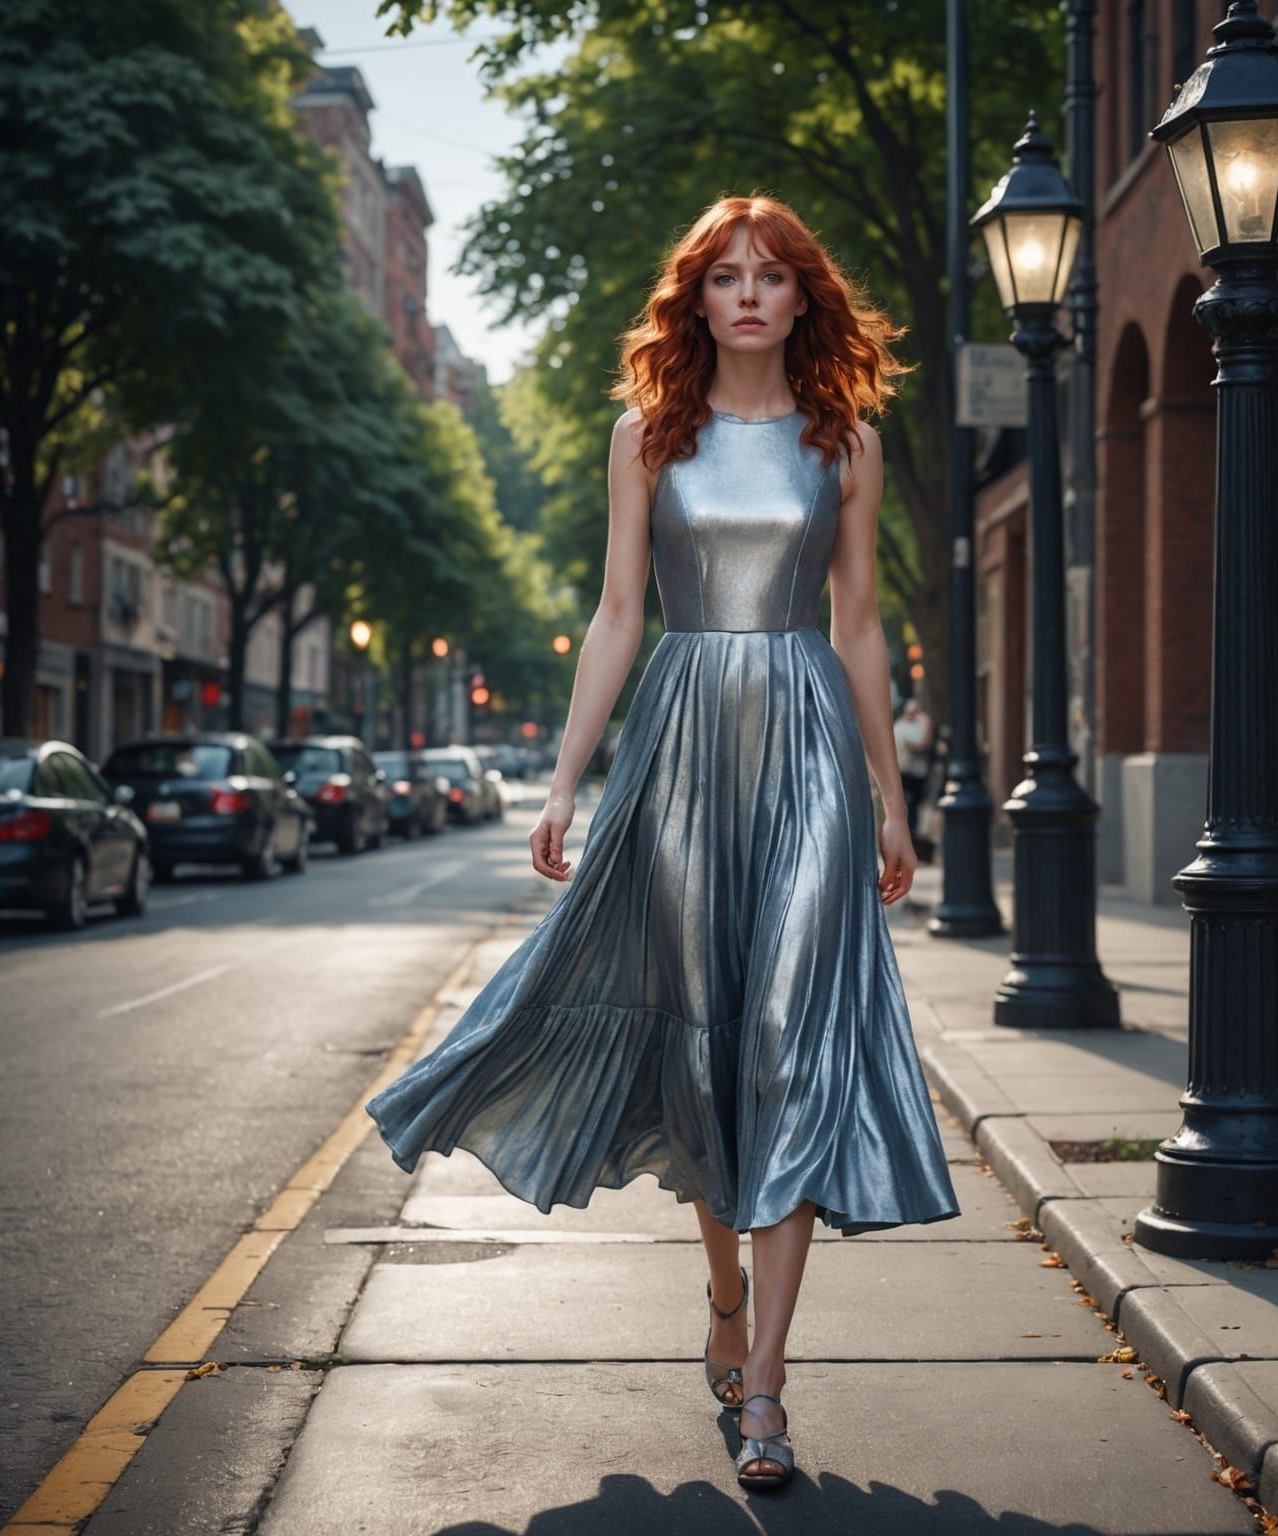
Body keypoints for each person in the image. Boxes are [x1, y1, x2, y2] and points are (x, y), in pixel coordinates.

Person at [365, 194, 959, 1493]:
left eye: (773, 276)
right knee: (703, 1039)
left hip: (807, 746)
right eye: (725, 276)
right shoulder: (646, 438)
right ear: (696, 300)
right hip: (680, 747)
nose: (749, 293)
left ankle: (769, 1389)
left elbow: (860, 631)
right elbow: (617, 616)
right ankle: (723, 1289)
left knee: (793, 1041)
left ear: (806, 299)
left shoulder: (844, 444)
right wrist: (567, 781)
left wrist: (894, 797)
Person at [893, 697, 935, 839]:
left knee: (914, 804)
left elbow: (925, 743)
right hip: (902, 770)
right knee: (904, 803)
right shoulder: (899, 724)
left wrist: (911, 745)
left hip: (917, 773)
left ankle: (914, 833)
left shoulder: (923, 722)